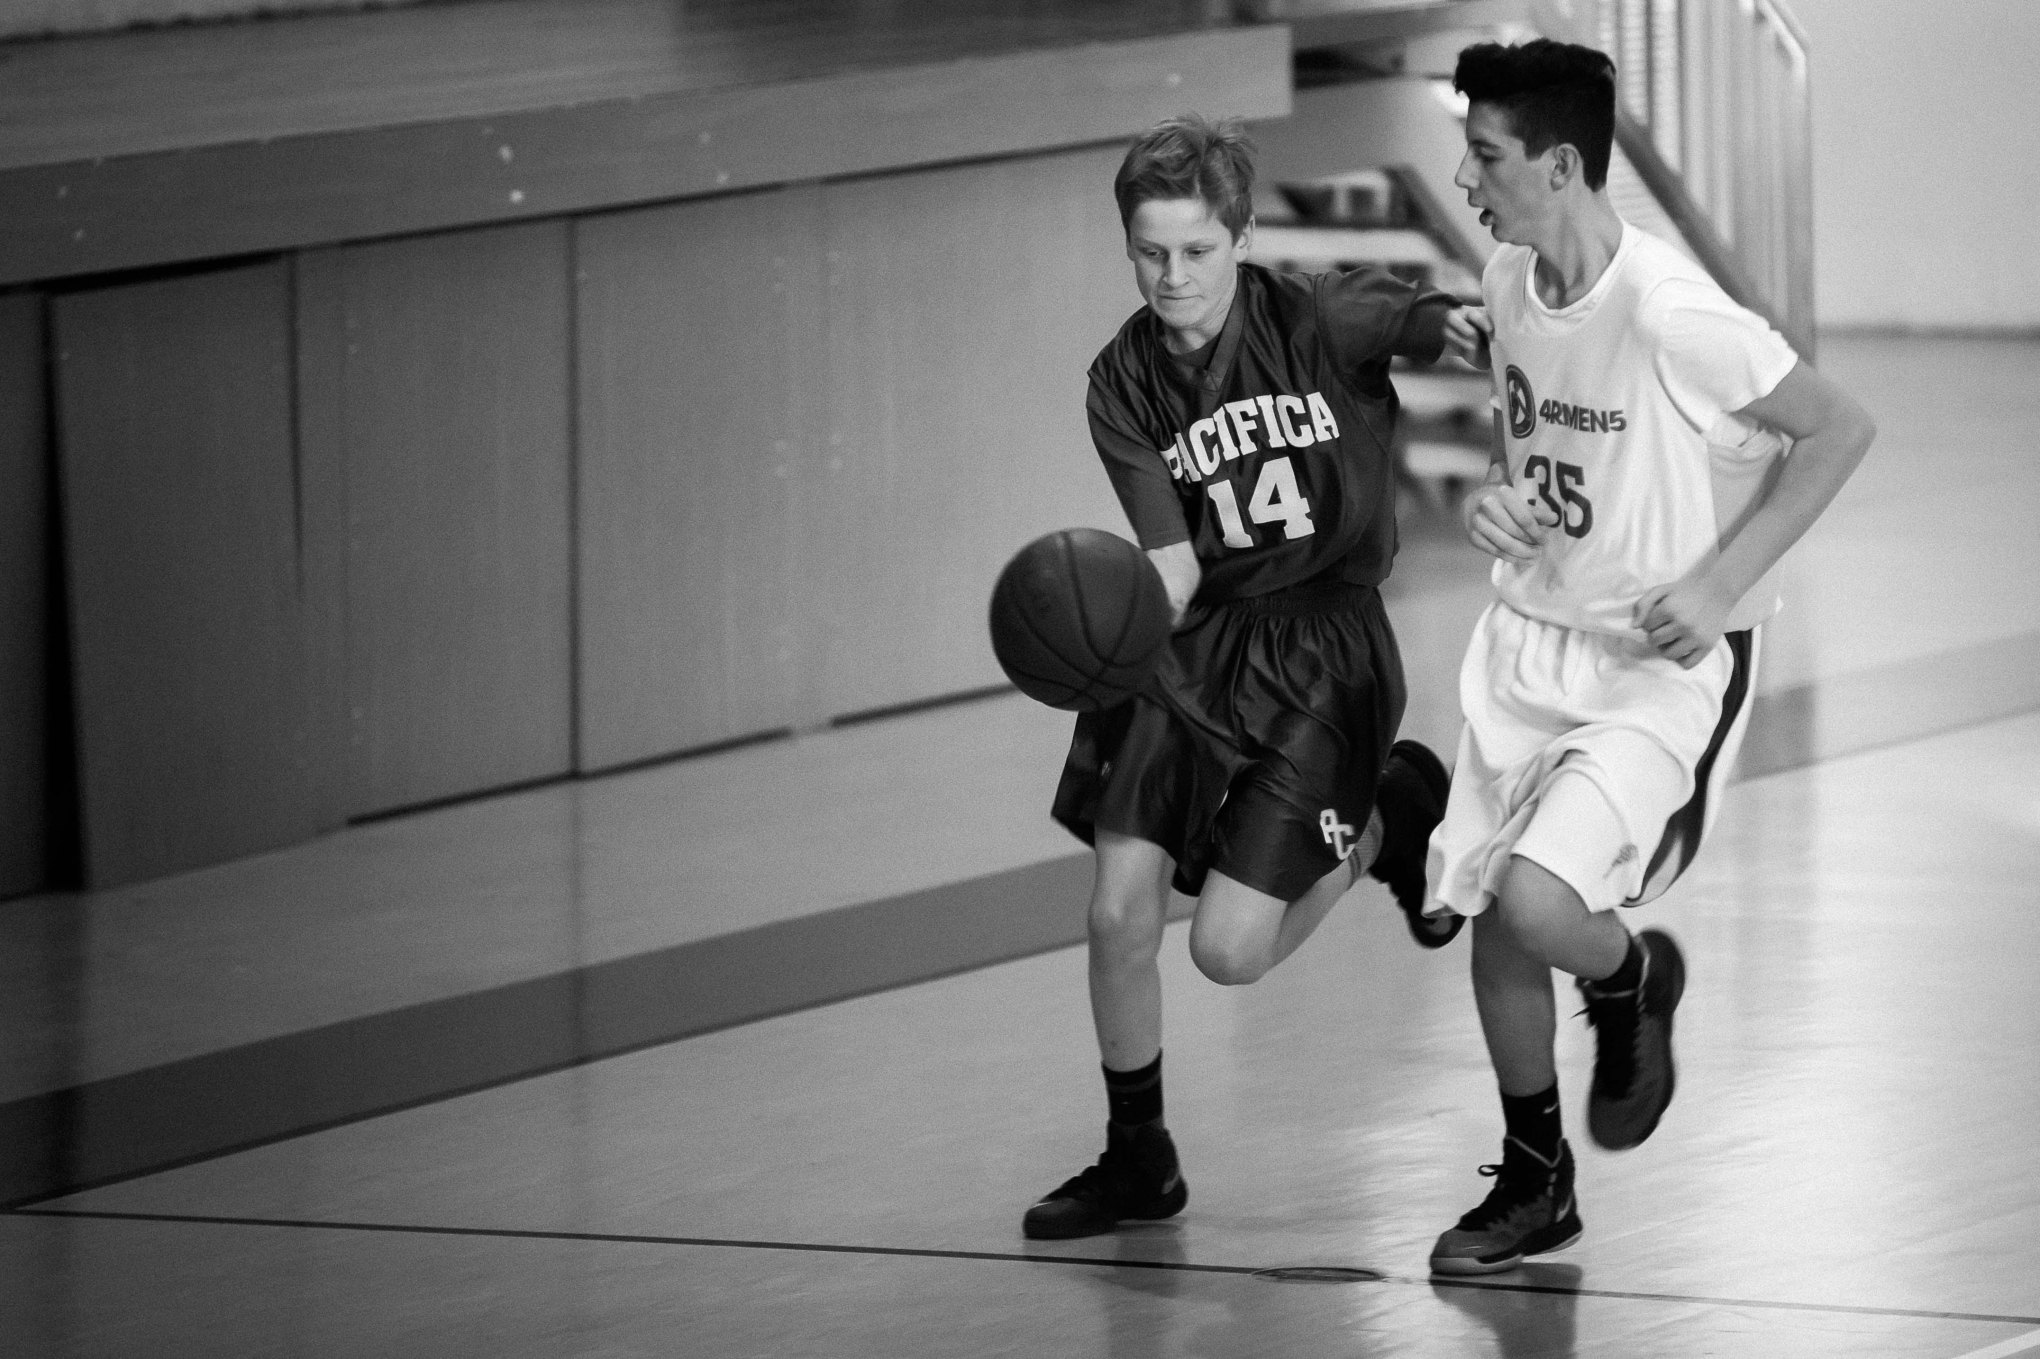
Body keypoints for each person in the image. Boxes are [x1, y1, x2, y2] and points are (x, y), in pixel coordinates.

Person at [1424, 40, 1876, 1274]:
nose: (1466, 178)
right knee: (1495, 920)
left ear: (1560, 166)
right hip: (1531, 641)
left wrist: (1720, 582)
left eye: (1485, 155)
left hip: (1654, 664)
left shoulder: (1673, 309)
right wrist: (1501, 502)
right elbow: (1536, 453)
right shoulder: (1509, 278)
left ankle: (1630, 986)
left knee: (1537, 900)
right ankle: (1536, 1184)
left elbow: (1839, 428)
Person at [1023, 114, 1462, 1241]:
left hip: (1323, 649)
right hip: (1190, 642)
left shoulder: (1319, 315)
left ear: (1243, 236)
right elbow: (1172, 564)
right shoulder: (1121, 380)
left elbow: (1459, 325)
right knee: (1116, 910)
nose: (1173, 276)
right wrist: (1092, 634)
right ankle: (1139, 1157)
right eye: (1150, 252)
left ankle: (1386, 820)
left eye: (1197, 250)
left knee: (1226, 951)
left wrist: (1518, 347)